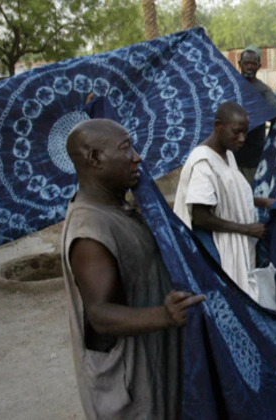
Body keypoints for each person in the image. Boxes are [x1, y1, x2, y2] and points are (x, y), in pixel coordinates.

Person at [61, 119, 206, 419]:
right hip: (129, 384)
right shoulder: (91, 230)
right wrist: (163, 316)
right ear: (95, 159)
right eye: (126, 148)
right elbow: (100, 313)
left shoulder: (118, 207)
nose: (137, 156)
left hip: (153, 361)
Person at [174, 102, 276, 305]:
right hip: (221, 245)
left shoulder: (227, 154)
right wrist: (246, 229)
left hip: (237, 238)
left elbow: (228, 194)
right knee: (233, 297)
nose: (242, 139)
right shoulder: (203, 163)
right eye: (236, 132)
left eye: (245, 133)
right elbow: (201, 216)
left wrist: (260, 202)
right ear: (218, 126)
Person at [236, 45, 276, 184]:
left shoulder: (263, 90)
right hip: (230, 154)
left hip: (253, 157)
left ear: (259, 66)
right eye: (246, 63)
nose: (249, 66)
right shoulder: (231, 85)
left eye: (253, 63)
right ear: (239, 64)